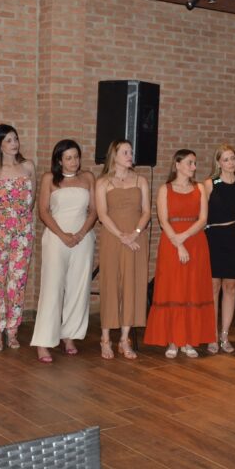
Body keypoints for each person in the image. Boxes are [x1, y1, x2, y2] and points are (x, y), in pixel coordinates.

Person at [144, 149, 216, 358]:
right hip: (171, 243)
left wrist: (184, 237)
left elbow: (203, 219)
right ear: (177, 164)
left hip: (195, 242)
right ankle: (173, 340)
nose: (194, 167)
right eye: (190, 163)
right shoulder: (165, 189)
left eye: (195, 163)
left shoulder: (199, 188)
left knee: (192, 289)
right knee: (174, 289)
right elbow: (163, 220)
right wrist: (179, 243)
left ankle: (189, 340)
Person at [31, 140, 97, 362]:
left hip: (83, 239)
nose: (74, 161)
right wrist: (63, 235)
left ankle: (70, 336)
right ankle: (43, 342)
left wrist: (80, 234)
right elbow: (43, 212)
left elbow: (93, 211)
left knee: (78, 288)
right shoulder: (49, 178)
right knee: (52, 288)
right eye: (68, 158)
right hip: (56, 238)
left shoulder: (88, 178)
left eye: (76, 157)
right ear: (59, 160)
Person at [0, 124, 36, 352]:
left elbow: (31, 201)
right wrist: (3, 222)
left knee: (17, 283)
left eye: (16, 139)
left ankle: (12, 330)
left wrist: (19, 222)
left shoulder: (28, 167)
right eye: (9, 140)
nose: (14, 144)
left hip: (22, 234)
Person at [95, 139, 150, 359]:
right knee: (111, 285)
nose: (130, 155)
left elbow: (146, 212)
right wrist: (122, 236)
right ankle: (105, 339)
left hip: (136, 239)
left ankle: (124, 339)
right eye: (125, 152)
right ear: (114, 156)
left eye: (131, 152)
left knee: (132, 285)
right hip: (113, 238)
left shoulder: (140, 180)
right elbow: (102, 214)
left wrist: (134, 233)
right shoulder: (103, 182)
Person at [202, 144, 235, 354]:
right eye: (226, 159)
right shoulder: (210, 183)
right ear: (218, 162)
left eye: (233, 158)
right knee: (213, 287)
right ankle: (211, 335)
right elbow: (203, 215)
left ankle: (224, 335)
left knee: (231, 287)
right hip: (213, 238)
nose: (231, 163)